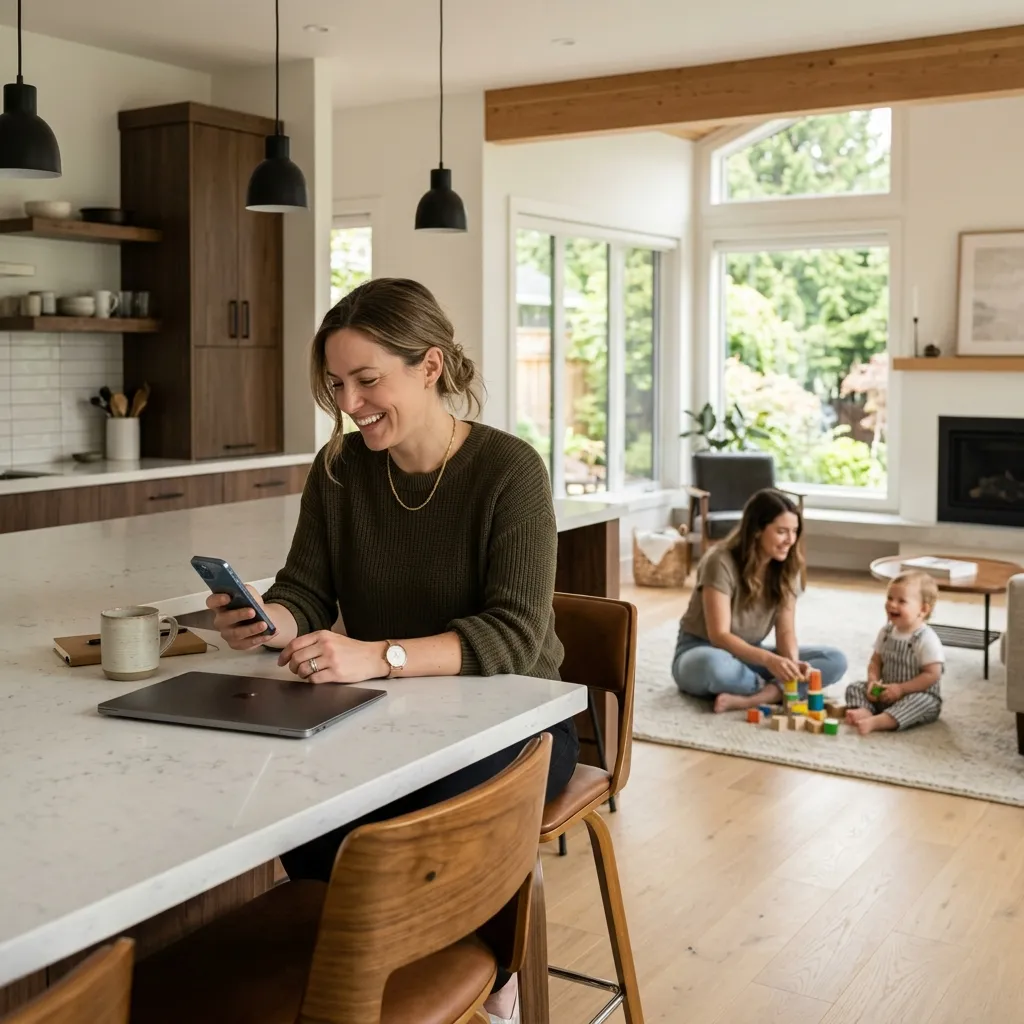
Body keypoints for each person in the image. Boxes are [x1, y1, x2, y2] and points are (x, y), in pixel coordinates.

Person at [206, 277, 578, 1023]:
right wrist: (270, 620)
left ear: (430, 366)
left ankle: (483, 964)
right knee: (302, 812)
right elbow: (307, 589)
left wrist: (376, 656)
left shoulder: (511, 472)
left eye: (367, 380)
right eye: (338, 384)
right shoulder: (340, 470)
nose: (349, 402)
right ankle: (388, 969)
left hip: (517, 721)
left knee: (408, 821)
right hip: (389, 716)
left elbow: (514, 633)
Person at [672, 488, 847, 712]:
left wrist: (792, 665)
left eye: (794, 531)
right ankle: (776, 691)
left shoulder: (787, 566)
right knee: (714, 668)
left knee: (834, 659)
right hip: (702, 650)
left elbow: (785, 632)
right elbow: (719, 636)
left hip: (752, 654)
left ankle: (755, 697)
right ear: (756, 530)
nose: (790, 540)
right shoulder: (719, 560)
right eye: (782, 531)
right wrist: (770, 662)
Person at [845, 571, 945, 735]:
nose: (892, 604)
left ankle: (878, 721)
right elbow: (875, 662)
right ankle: (866, 711)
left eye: (901, 601)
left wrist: (901, 689)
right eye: (890, 598)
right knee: (855, 687)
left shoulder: (926, 639)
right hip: (885, 692)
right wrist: (873, 682)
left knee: (923, 702)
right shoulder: (886, 632)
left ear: (923, 609)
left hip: (915, 694)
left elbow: (932, 675)